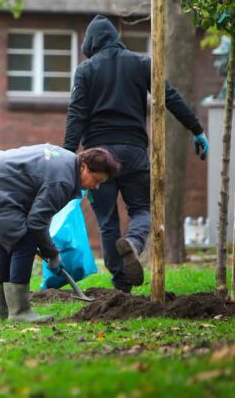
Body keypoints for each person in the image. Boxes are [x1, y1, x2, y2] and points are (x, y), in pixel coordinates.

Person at [63, 15, 210, 292]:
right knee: (142, 209)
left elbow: (76, 115)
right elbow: (171, 97)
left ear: (90, 43)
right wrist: (196, 129)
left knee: (107, 221)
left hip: (97, 158)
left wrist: (66, 154)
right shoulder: (142, 63)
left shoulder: (86, 70)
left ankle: (121, 286)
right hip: (133, 153)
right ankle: (134, 241)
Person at [0, 145, 121, 322]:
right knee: (24, 244)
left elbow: (37, 213)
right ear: (83, 166)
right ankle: (20, 313)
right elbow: (36, 222)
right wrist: (52, 253)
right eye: (96, 179)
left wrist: (48, 249)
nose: (96, 186)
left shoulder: (66, 162)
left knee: (4, 249)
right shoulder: (63, 180)